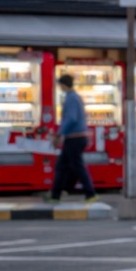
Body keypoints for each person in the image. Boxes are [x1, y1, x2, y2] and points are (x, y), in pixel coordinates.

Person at [48, 74, 98, 203]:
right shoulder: (75, 97)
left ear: (63, 85)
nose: (60, 88)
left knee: (76, 166)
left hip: (74, 138)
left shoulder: (70, 98)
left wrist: (59, 134)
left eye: (60, 85)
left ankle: (90, 193)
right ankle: (56, 195)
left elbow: (70, 118)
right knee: (63, 166)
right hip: (78, 137)